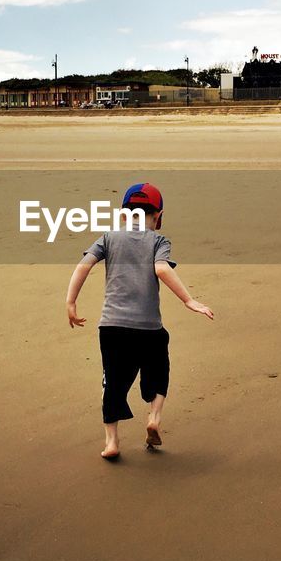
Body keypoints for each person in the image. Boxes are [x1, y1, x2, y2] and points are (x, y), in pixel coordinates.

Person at [65, 182, 214, 460]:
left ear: (123, 214)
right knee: (159, 371)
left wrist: (71, 301)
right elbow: (160, 269)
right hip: (148, 329)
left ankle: (111, 442)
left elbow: (83, 265)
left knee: (112, 382)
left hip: (111, 327)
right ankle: (154, 418)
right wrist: (188, 300)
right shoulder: (158, 241)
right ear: (158, 216)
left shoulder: (108, 238)